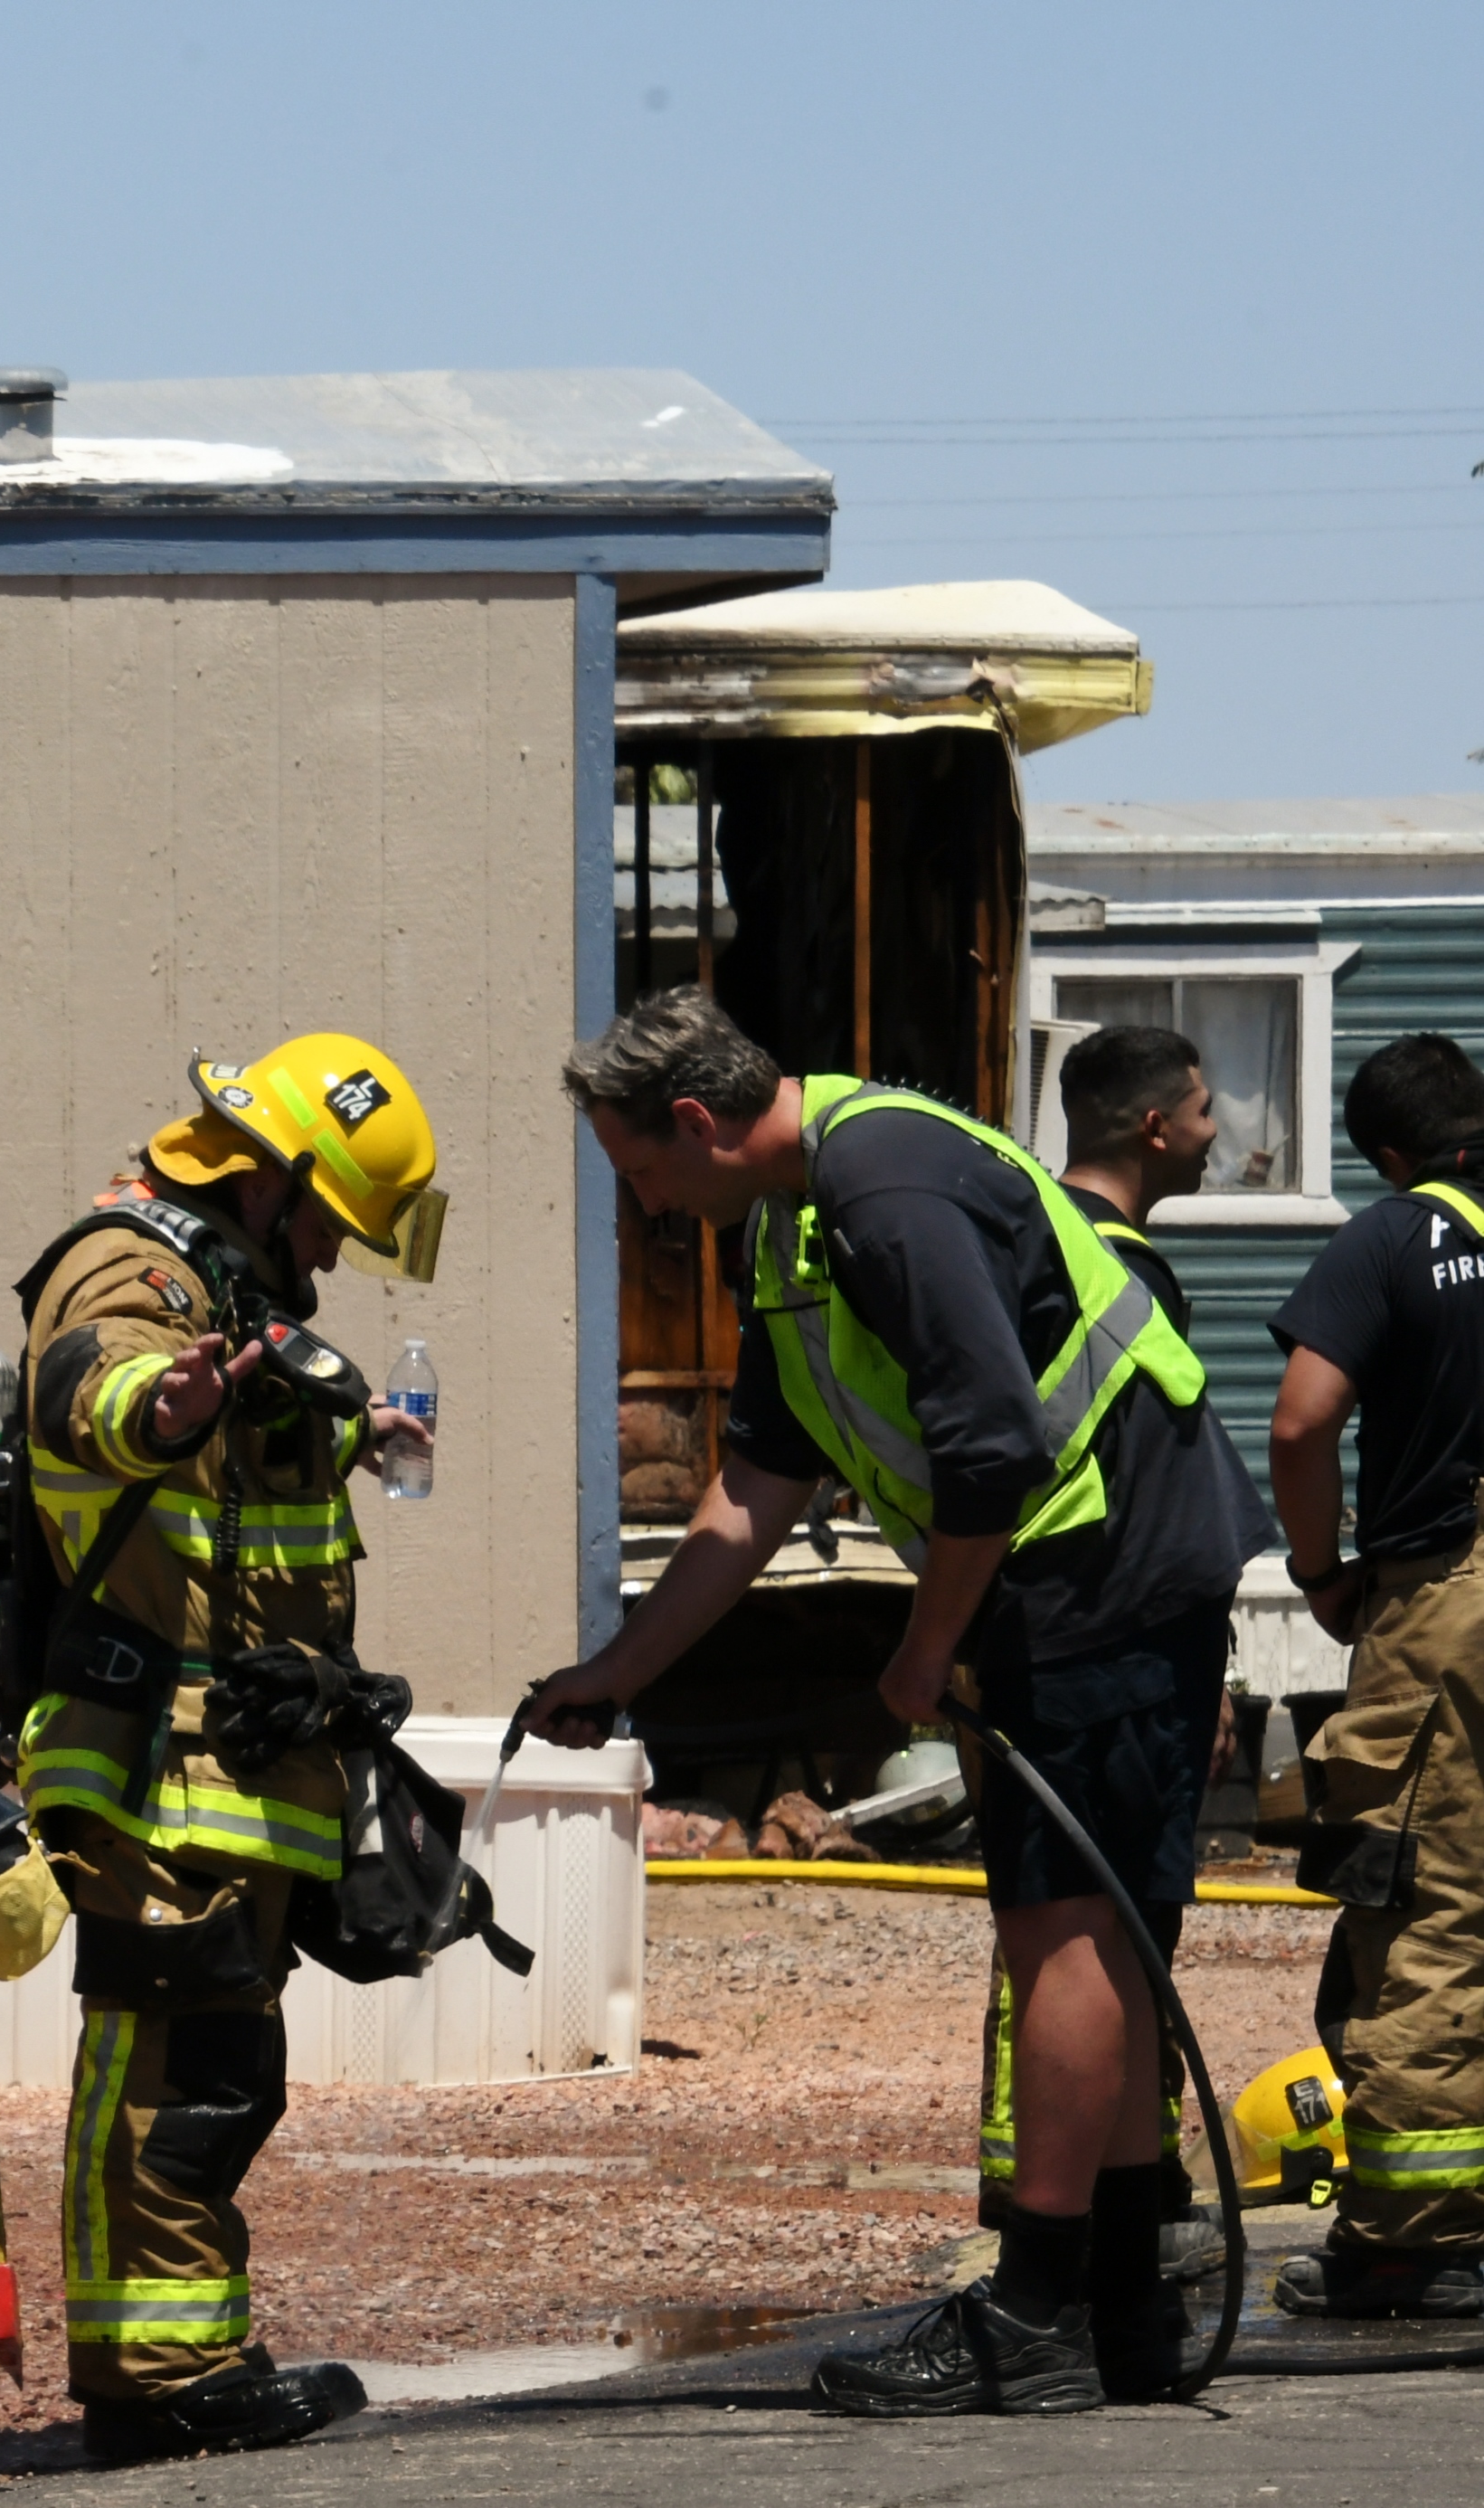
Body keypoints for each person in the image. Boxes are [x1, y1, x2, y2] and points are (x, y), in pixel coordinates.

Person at [534, 989, 1269, 2415]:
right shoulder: (791, 1221)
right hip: (1072, 1564)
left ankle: (1035, 2309)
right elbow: (755, 1485)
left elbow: (990, 1444)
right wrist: (615, 1672)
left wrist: (925, 1648)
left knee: (1063, 1927)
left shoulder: (885, 1185)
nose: (647, 1206)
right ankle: (1121, 2303)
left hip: (1104, 1563)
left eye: (639, 1171)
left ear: (693, 1120)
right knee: (1094, 1932)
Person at [12, 1034, 439, 2461]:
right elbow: (92, 1386)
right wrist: (157, 1406)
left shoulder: (233, 1286)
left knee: (218, 2069)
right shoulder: (134, 1270)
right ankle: (151, 2376)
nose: (333, 1251)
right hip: (159, 1764)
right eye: (330, 1219)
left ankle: (182, 2351)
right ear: (269, 1181)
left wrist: (343, 1429)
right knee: (169, 2064)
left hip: (236, 1764)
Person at [973, 1026, 1251, 2279]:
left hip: (1080, 1643)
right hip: (1105, 1654)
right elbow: (1131, 1497)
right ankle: (1076, 2248)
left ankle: (1089, 2231)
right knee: (1102, 1936)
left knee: (1072, 1933)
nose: (1216, 1133)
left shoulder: (1037, 1246)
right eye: (1204, 1110)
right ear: (1153, 1125)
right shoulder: (1108, 1270)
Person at [1267, 1032, 1484, 2317]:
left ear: (1391, 1154)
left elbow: (1302, 1419)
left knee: (1425, 1907)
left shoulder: (1396, 1237)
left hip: (1449, 1595)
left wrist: (1319, 1572)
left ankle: (1415, 2239)